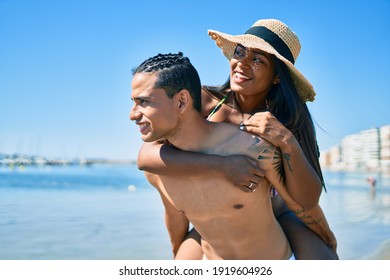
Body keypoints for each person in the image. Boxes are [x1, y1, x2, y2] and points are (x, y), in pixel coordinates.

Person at [136, 19, 338, 260]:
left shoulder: (288, 119)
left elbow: (306, 200)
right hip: (219, 218)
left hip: (282, 215)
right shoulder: (203, 102)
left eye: (257, 60)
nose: (242, 64)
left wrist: (287, 141)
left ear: (277, 77)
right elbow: (147, 157)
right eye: (240, 52)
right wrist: (223, 167)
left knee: (326, 260)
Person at [130, 52, 294, 259]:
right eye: (240, 53)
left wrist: (324, 237)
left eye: (144, 101)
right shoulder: (159, 167)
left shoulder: (258, 143)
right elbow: (174, 215)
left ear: (182, 101)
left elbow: (301, 203)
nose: (132, 114)